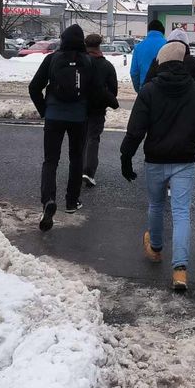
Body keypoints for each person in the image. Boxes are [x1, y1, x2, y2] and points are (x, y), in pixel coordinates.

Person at [120, 39, 195, 292]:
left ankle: (157, 247)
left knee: (156, 204)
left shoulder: (150, 90)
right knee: (181, 212)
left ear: (161, 62)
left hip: (155, 159)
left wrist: (125, 157)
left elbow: (135, 130)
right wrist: (187, 135)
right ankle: (180, 271)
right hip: (184, 160)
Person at [29, 24, 117, 232]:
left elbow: (34, 87)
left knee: (50, 161)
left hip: (53, 117)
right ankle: (71, 201)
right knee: (76, 159)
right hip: (79, 118)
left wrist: (45, 109)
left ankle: (48, 200)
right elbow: (97, 90)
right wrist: (112, 101)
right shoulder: (88, 62)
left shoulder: (51, 59)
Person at [83, 33, 119, 188]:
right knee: (93, 138)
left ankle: (77, 168)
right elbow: (114, 91)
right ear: (99, 46)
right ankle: (89, 171)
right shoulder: (106, 65)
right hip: (97, 109)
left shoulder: (80, 62)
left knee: (79, 139)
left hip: (79, 107)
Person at [130, 20, 167, 92]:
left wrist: (139, 89)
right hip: (164, 90)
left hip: (145, 89)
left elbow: (134, 73)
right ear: (162, 31)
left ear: (148, 31)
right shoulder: (167, 45)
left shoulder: (138, 47)